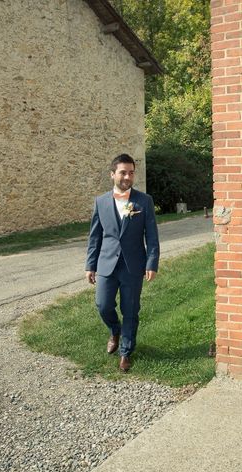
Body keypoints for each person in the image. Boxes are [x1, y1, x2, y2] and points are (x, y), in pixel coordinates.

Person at [85, 153, 159, 373]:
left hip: (133, 265)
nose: (128, 176)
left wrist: (151, 263)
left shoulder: (144, 201)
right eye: (123, 172)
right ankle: (114, 330)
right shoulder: (101, 202)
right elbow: (95, 236)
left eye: (131, 172)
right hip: (106, 263)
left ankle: (125, 352)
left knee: (131, 309)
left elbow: (152, 236)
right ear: (112, 174)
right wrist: (90, 265)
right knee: (103, 304)